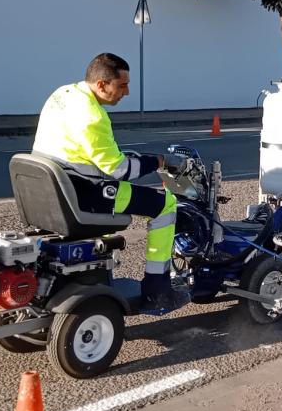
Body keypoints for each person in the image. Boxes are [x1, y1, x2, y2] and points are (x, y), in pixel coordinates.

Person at [32, 52, 187, 309]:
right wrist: (159, 162)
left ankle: (99, 275)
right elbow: (119, 170)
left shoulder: (63, 94)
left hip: (51, 188)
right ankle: (157, 289)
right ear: (102, 84)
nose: (126, 92)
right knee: (165, 204)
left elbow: (86, 151)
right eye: (122, 85)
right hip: (82, 193)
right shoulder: (93, 116)